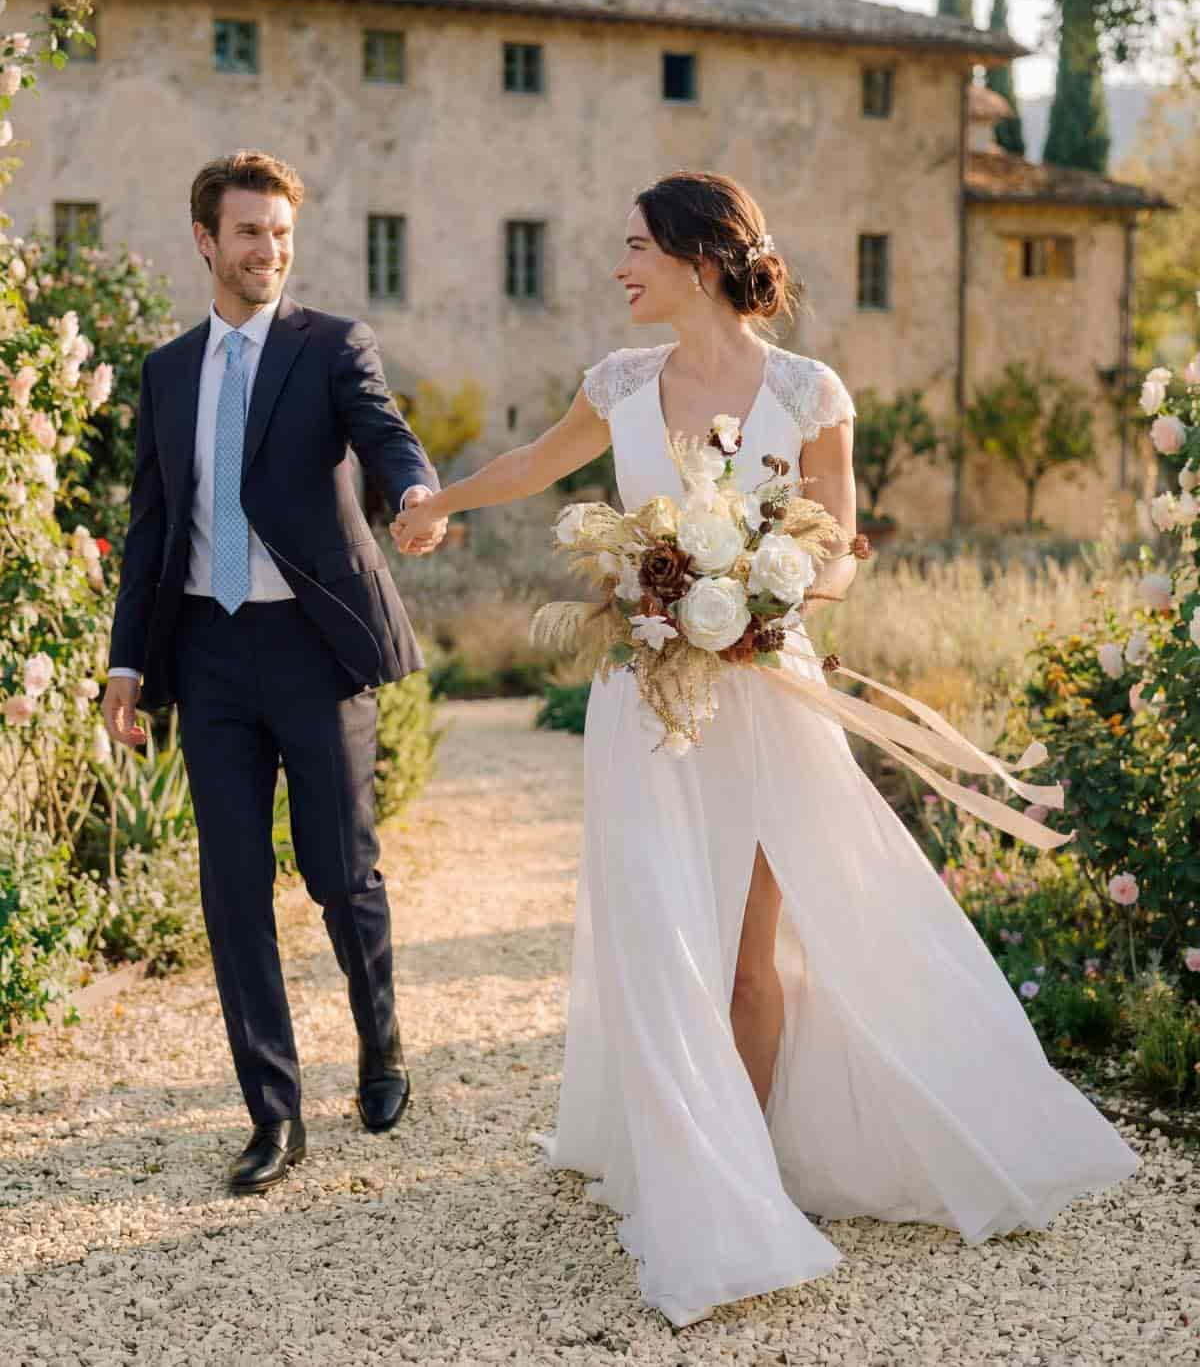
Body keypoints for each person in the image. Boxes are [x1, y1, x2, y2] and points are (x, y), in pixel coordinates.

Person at [390, 170, 1138, 1327]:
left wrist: (776, 596)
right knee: (656, 943)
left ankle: (748, 1177)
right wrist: (443, 502)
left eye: (635, 245)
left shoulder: (808, 390)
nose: (618, 267)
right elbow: (537, 464)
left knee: (752, 960)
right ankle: (698, 1176)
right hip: (645, 706)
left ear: (697, 257)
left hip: (771, 704)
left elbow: (840, 546)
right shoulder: (620, 383)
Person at [101, 150, 446, 1195]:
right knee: (232, 886)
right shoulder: (166, 372)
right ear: (206, 240)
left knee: (340, 870)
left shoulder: (333, 346)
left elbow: (385, 440)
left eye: (282, 234)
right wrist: (126, 665)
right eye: (250, 232)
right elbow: (151, 525)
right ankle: (274, 1113)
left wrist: (418, 491)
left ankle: (380, 1046)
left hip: (314, 646)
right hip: (208, 654)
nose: (269, 251)